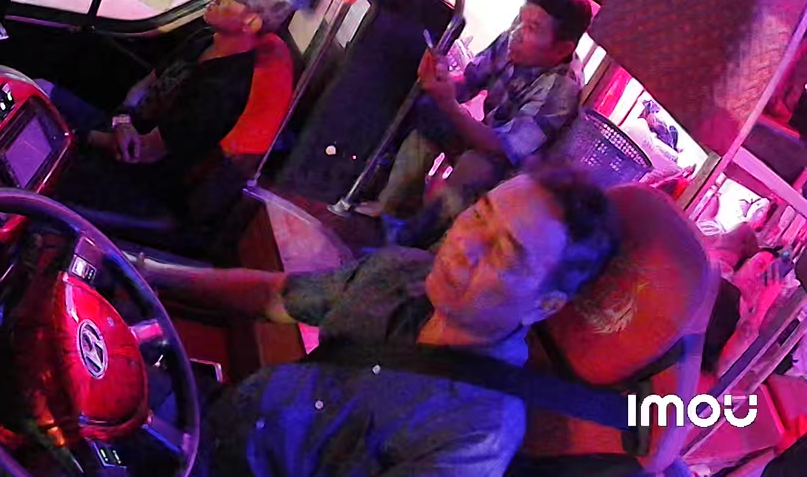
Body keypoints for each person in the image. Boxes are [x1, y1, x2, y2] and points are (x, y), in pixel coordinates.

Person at [135, 167, 620, 475]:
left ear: (543, 305)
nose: (463, 244)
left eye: (505, 253)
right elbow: (275, 297)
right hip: (205, 413)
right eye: (478, 214)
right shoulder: (399, 271)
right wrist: (147, 273)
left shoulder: (477, 434)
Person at [44, 0, 294, 225]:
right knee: (41, 88)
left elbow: (142, 153)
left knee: (35, 143)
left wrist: (72, 133)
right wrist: (122, 120)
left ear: (251, 22)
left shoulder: (222, 89)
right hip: (119, 131)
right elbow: (145, 84)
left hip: (134, 176)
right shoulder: (204, 38)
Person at [360, 0, 592, 245]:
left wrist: (449, 103)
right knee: (428, 109)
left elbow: (503, 149)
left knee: (475, 166)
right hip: (490, 141)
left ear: (562, 49)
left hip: (518, 176)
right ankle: (394, 208)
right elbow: (470, 80)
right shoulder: (513, 38)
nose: (517, 32)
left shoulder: (561, 90)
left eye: (532, 27)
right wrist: (441, 80)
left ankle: (415, 242)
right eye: (520, 18)